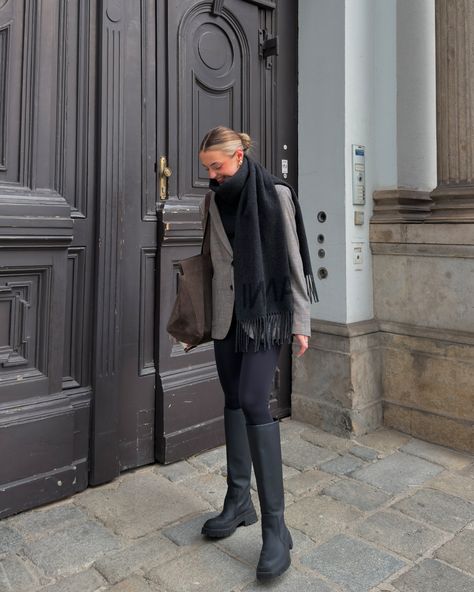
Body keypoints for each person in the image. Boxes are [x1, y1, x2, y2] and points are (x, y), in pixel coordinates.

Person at [198, 126, 317, 580]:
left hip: (266, 313)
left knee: (252, 401)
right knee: (232, 400)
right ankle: (237, 501)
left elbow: (292, 260)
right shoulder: (211, 199)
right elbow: (212, 258)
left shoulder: (275, 195)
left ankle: (276, 529)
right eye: (207, 168)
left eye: (218, 166)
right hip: (227, 315)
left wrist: (301, 324)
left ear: (240, 156)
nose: (212, 175)